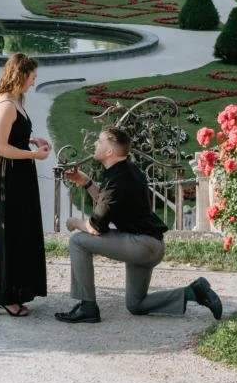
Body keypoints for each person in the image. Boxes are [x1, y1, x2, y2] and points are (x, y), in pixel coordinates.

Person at [56, 125, 223, 324]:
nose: (95, 144)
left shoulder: (118, 179)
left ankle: (87, 306)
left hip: (142, 245)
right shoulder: (125, 170)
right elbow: (107, 202)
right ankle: (193, 292)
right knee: (136, 304)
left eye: (99, 141)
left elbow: (95, 227)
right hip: (149, 245)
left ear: (109, 151)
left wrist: (74, 222)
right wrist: (86, 182)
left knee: (78, 240)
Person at [0, 52, 51, 317]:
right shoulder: (5, 105)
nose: (34, 82)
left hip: (20, 174)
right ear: (21, 75)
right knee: (10, 234)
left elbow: (13, 135)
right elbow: (0, 148)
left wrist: (31, 139)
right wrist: (33, 155)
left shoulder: (15, 100)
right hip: (9, 176)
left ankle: (17, 291)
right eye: (32, 77)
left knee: (23, 231)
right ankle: (5, 295)